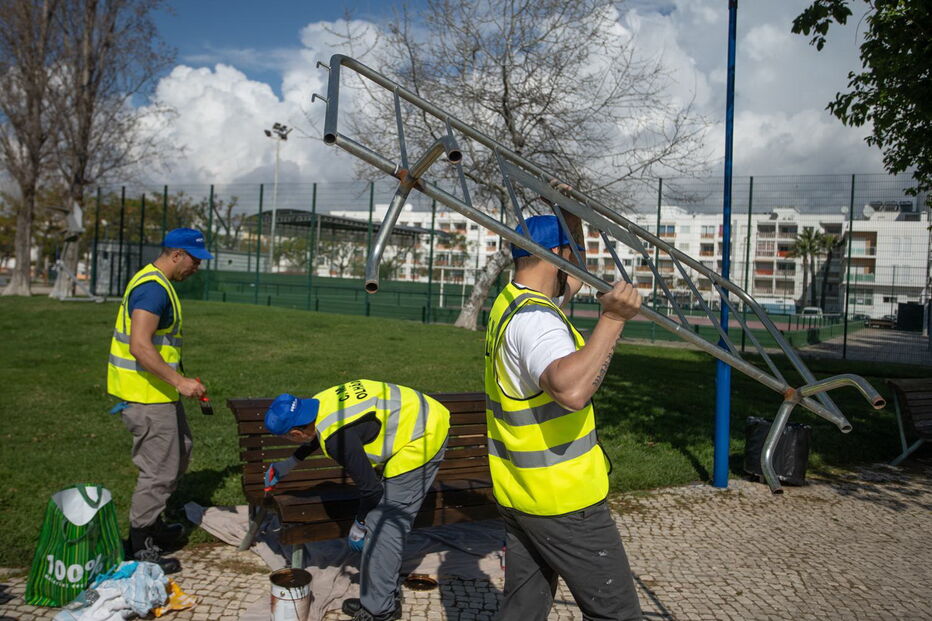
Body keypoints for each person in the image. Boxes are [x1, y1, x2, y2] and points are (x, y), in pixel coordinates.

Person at [485, 214, 644, 620]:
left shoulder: (513, 301)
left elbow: (574, 276)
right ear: (558, 254)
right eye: (570, 255)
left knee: (524, 609)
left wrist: (568, 215)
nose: (576, 270)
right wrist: (612, 320)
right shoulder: (536, 322)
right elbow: (571, 390)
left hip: (521, 493)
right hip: (564, 500)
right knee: (617, 614)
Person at [263, 379, 450, 621]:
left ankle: (380, 611)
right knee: (380, 523)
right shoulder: (321, 401)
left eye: (290, 438)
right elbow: (320, 432)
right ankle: (382, 597)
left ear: (296, 433)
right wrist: (289, 463)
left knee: (384, 527)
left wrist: (359, 525)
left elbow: (371, 490)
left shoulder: (336, 438)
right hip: (420, 412)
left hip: (423, 435)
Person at [107, 228, 213, 573]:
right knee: (159, 472)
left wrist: (177, 383)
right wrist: (178, 381)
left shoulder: (158, 283)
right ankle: (140, 547)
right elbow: (140, 346)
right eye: (195, 260)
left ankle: (152, 527)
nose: (197, 267)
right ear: (176, 255)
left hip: (158, 394)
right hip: (146, 397)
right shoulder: (153, 289)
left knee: (180, 451)